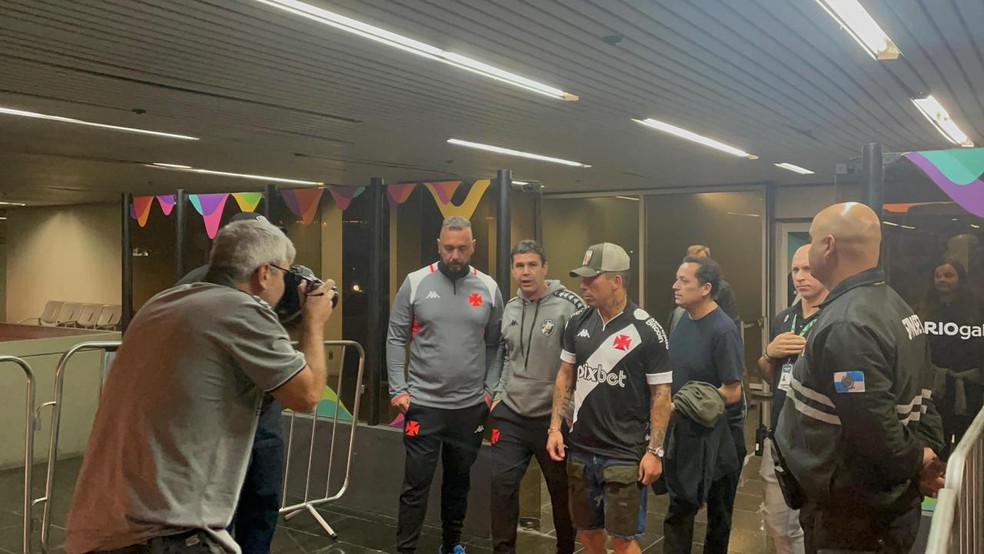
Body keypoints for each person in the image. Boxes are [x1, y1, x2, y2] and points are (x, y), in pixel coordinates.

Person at [65, 218, 336, 553]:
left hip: (107, 520)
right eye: (284, 273)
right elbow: (307, 395)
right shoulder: (240, 309)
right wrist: (314, 321)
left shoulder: (163, 302)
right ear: (264, 273)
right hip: (168, 531)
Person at [775, 202, 946, 553]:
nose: (808, 248)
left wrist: (920, 461)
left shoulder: (847, 324)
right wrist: (923, 458)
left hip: (852, 516)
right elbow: (924, 396)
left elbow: (873, 429)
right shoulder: (894, 305)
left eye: (811, 239)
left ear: (828, 246)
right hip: (879, 505)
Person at [387, 216, 504, 554]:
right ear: (438, 245)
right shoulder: (415, 282)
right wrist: (398, 389)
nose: (455, 255)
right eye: (449, 248)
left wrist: (489, 391)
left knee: (458, 483)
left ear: (473, 247)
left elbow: (496, 345)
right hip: (423, 406)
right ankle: (405, 550)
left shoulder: (489, 288)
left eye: (462, 248)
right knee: (415, 485)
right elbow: (396, 337)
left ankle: (451, 545)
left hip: (469, 409)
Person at [545, 242, 673, 554]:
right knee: (587, 532)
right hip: (581, 449)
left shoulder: (647, 330)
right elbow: (565, 375)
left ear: (616, 280)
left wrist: (655, 451)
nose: (583, 285)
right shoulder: (578, 322)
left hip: (624, 453)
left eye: (592, 279)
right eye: (582, 278)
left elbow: (661, 394)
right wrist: (554, 429)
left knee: (623, 540)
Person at [176, 212, 288, 554]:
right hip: (219, 418)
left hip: (261, 411)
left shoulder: (269, 284)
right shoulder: (199, 284)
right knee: (221, 508)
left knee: (262, 498)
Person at [490, 240, 584, 554]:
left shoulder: (569, 305)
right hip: (511, 413)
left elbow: (580, 362)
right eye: (519, 266)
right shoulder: (511, 307)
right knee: (502, 487)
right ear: (513, 269)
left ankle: (565, 549)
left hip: (552, 419)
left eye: (532, 265)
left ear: (545, 267)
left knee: (561, 494)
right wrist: (498, 395)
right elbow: (506, 355)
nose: (525, 272)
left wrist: (568, 410)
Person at [662, 255, 745, 554]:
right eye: (677, 278)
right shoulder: (680, 319)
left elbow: (733, 391)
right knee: (679, 508)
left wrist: (686, 403)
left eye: (684, 281)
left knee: (718, 516)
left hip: (719, 439)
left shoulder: (723, 329)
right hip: (685, 434)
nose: (675, 286)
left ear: (705, 288)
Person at [756, 245, 827, 554]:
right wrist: (768, 354)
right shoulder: (785, 318)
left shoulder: (834, 318)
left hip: (817, 440)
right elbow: (769, 376)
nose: (800, 277)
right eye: (795, 270)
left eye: (807, 269)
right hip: (780, 435)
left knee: (814, 524)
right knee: (777, 524)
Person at [917, 258, 984, 453]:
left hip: (972, 388)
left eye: (948, 275)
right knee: (937, 438)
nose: (942, 280)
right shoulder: (922, 310)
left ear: (960, 279)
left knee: (969, 443)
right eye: (937, 276)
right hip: (935, 389)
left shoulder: (978, 310)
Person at [667, 245, 739, 334]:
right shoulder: (679, 312)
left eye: (704, 259)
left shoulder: (722, 288)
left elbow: (733, 319)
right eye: (695, 259)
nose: (676, 286)